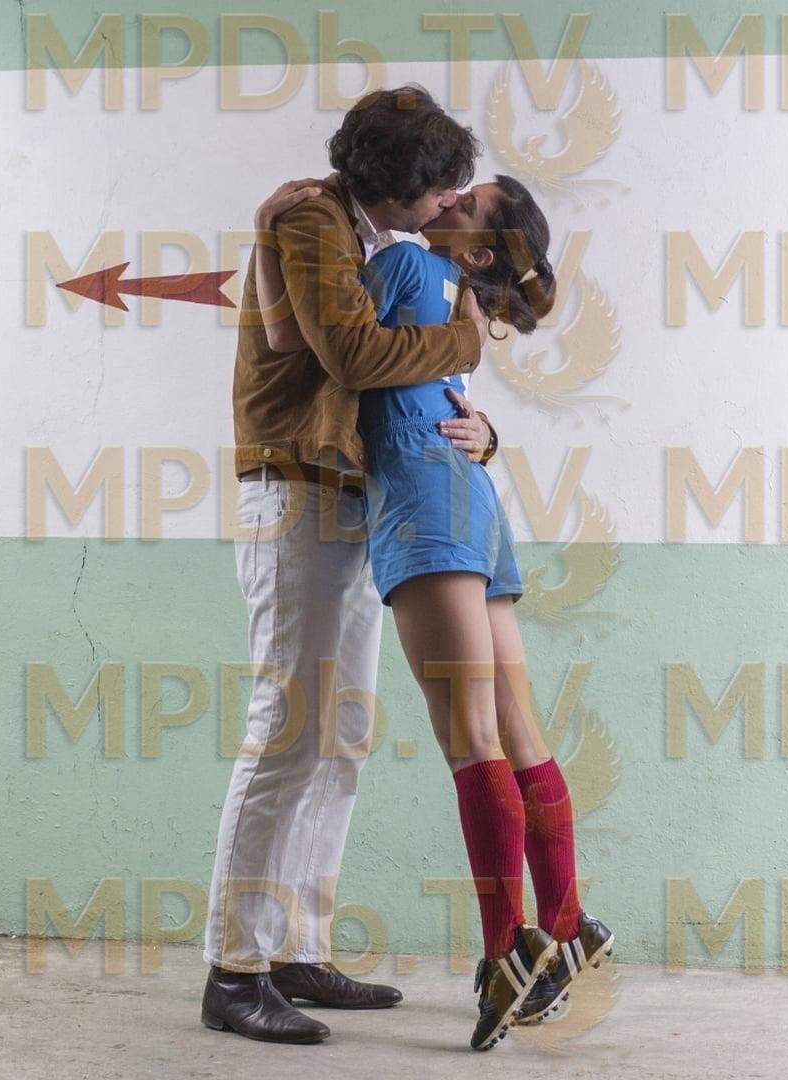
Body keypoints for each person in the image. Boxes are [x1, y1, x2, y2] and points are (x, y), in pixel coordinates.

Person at [259, 174, 615, 1051]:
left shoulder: (411, 267)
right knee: (516, 730)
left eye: (466, 201)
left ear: (479, 247)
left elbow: (310, 346)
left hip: (424, 505)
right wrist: (486, 434)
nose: (447, 197)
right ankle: (567, 926)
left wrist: (268, 241)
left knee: (471, 739)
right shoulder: (457, 295)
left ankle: (506, 954)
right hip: (473, 504)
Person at [201, 86, 499, 1045]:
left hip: (354, 494)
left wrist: (482, 429)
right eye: (443, 188)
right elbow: (357, 355)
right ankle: (235, 970)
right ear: (404, 182)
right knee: (288, 730)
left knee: (341, 737)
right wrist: (470, 335)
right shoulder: (309, 219)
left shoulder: (374, 242)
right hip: (295, 489)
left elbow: (411, 392)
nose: (452, 204)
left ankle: (295, 949)